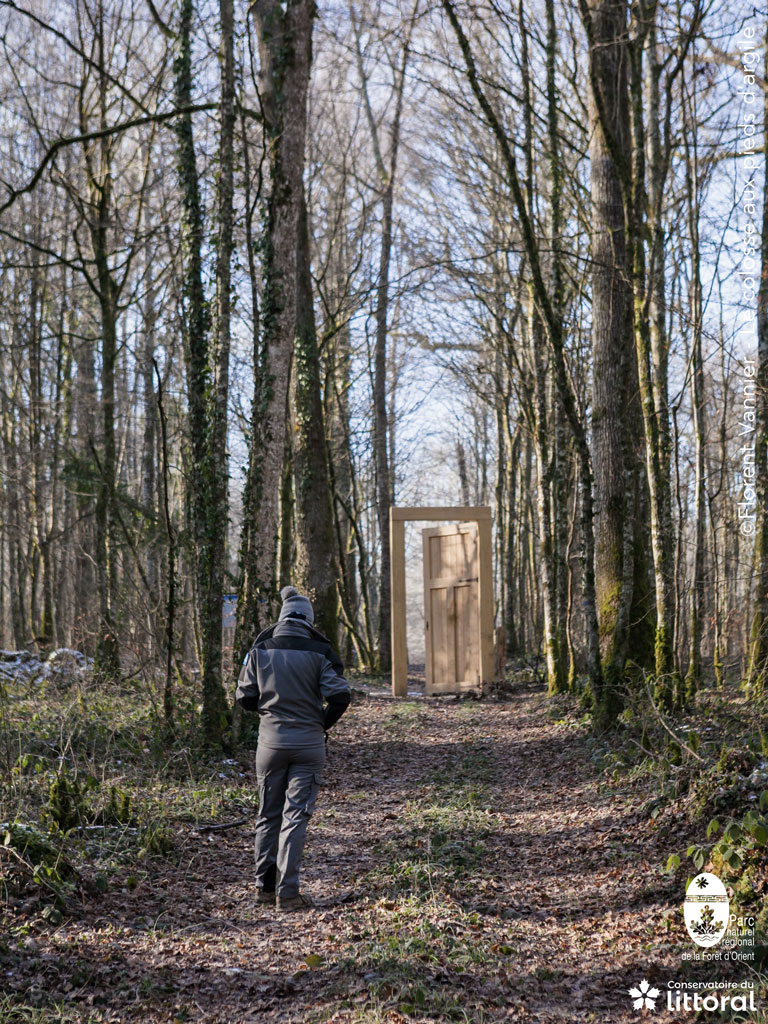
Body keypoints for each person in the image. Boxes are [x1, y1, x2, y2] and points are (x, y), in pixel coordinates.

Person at [235, 585, 350, 912]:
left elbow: (244, 697)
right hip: (309, 745)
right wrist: (320, 724)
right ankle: (288, 894)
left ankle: (263, 889)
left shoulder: (261, 646)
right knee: (295, 817)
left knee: (267, 816)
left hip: (270, 745)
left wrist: (269, 711)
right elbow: (340, 696)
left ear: (283, 617)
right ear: (309, 619)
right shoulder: (320, 649)